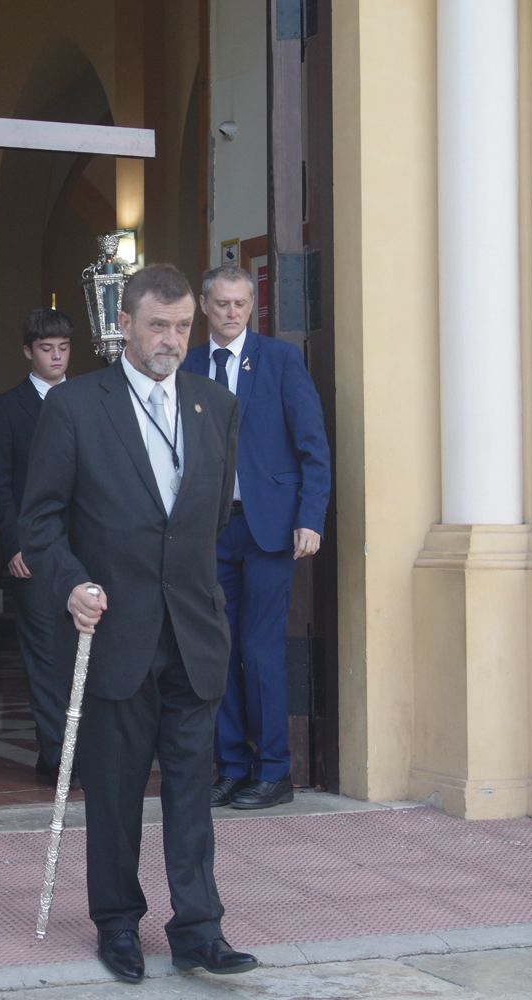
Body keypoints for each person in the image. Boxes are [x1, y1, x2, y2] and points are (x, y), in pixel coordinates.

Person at [20, 264, 256, 983]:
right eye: (159, 324)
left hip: (191, 632)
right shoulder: (75, 407)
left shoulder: (215, 406)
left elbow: (209, 519)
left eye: (184, 325)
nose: (174, 339)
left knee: (192, 788)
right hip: (113, 630)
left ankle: (198, 927)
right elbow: (39, 522)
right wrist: (73, 584)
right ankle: (118, 924)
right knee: (117, 790)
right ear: (123, 322)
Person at [180, 265, 330, 810]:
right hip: (210, 532)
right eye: (222, 303)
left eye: (242, 304)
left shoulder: (281, 360)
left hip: (270, 528)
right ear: (204, 304)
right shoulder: (190, 365)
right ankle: (233, 767)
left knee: (259, 649)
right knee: (217, 652)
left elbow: (313, 445)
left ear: (253, 307)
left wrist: (311, 517)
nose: (232, 313)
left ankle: (274, 771)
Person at [0, 308, 72, 784]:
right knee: (45, 654)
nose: (56, 357)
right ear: (27, 352)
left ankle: (78, 750)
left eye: (63, 348)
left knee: (87, 652)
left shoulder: (89, 398)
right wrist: (13, 545)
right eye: (46, 349)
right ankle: (57, 754)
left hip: (85, 550)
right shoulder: (7, 407)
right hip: (33, 550)